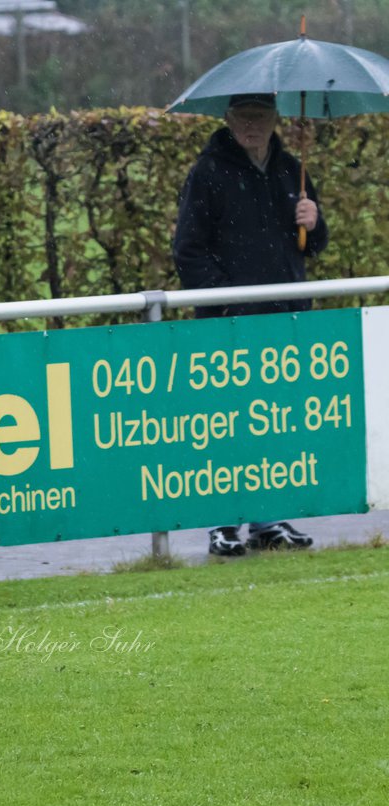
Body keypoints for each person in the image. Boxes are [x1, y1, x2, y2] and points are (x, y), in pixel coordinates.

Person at [173, 92, 328, 557]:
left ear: (276, 119)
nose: (251, 126)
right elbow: (188, 250)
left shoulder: (291, 171)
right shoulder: (208, 173)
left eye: (260, 117)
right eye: (243, 118)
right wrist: (227, 305)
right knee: (225, 423)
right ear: (228, 120)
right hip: (228, 324)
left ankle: (267, 521)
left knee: (273, 422)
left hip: (283, 318)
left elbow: (312, 245)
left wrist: (314, 222)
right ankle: (222, 524)